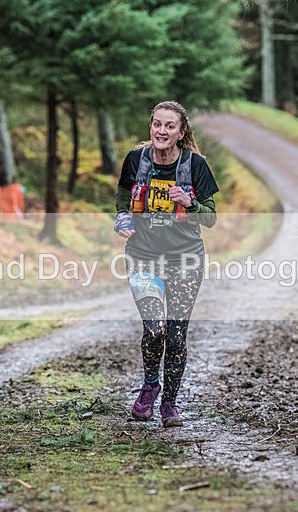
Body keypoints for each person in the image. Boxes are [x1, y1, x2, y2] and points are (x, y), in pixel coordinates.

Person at [113, 101, 219, 427]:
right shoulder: (136, 160)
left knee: (175, 336)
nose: (162, 131)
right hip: (143, 257)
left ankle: (170, 402)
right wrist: (121, 217)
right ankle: (149, 385)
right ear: (151, 128)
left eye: (169, 126)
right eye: (157, 124)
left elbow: (212, 218)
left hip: (185, 260)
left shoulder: (195, 165)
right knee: (154, 328)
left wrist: (191, 203)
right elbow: (122, 193)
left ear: (181, 131)